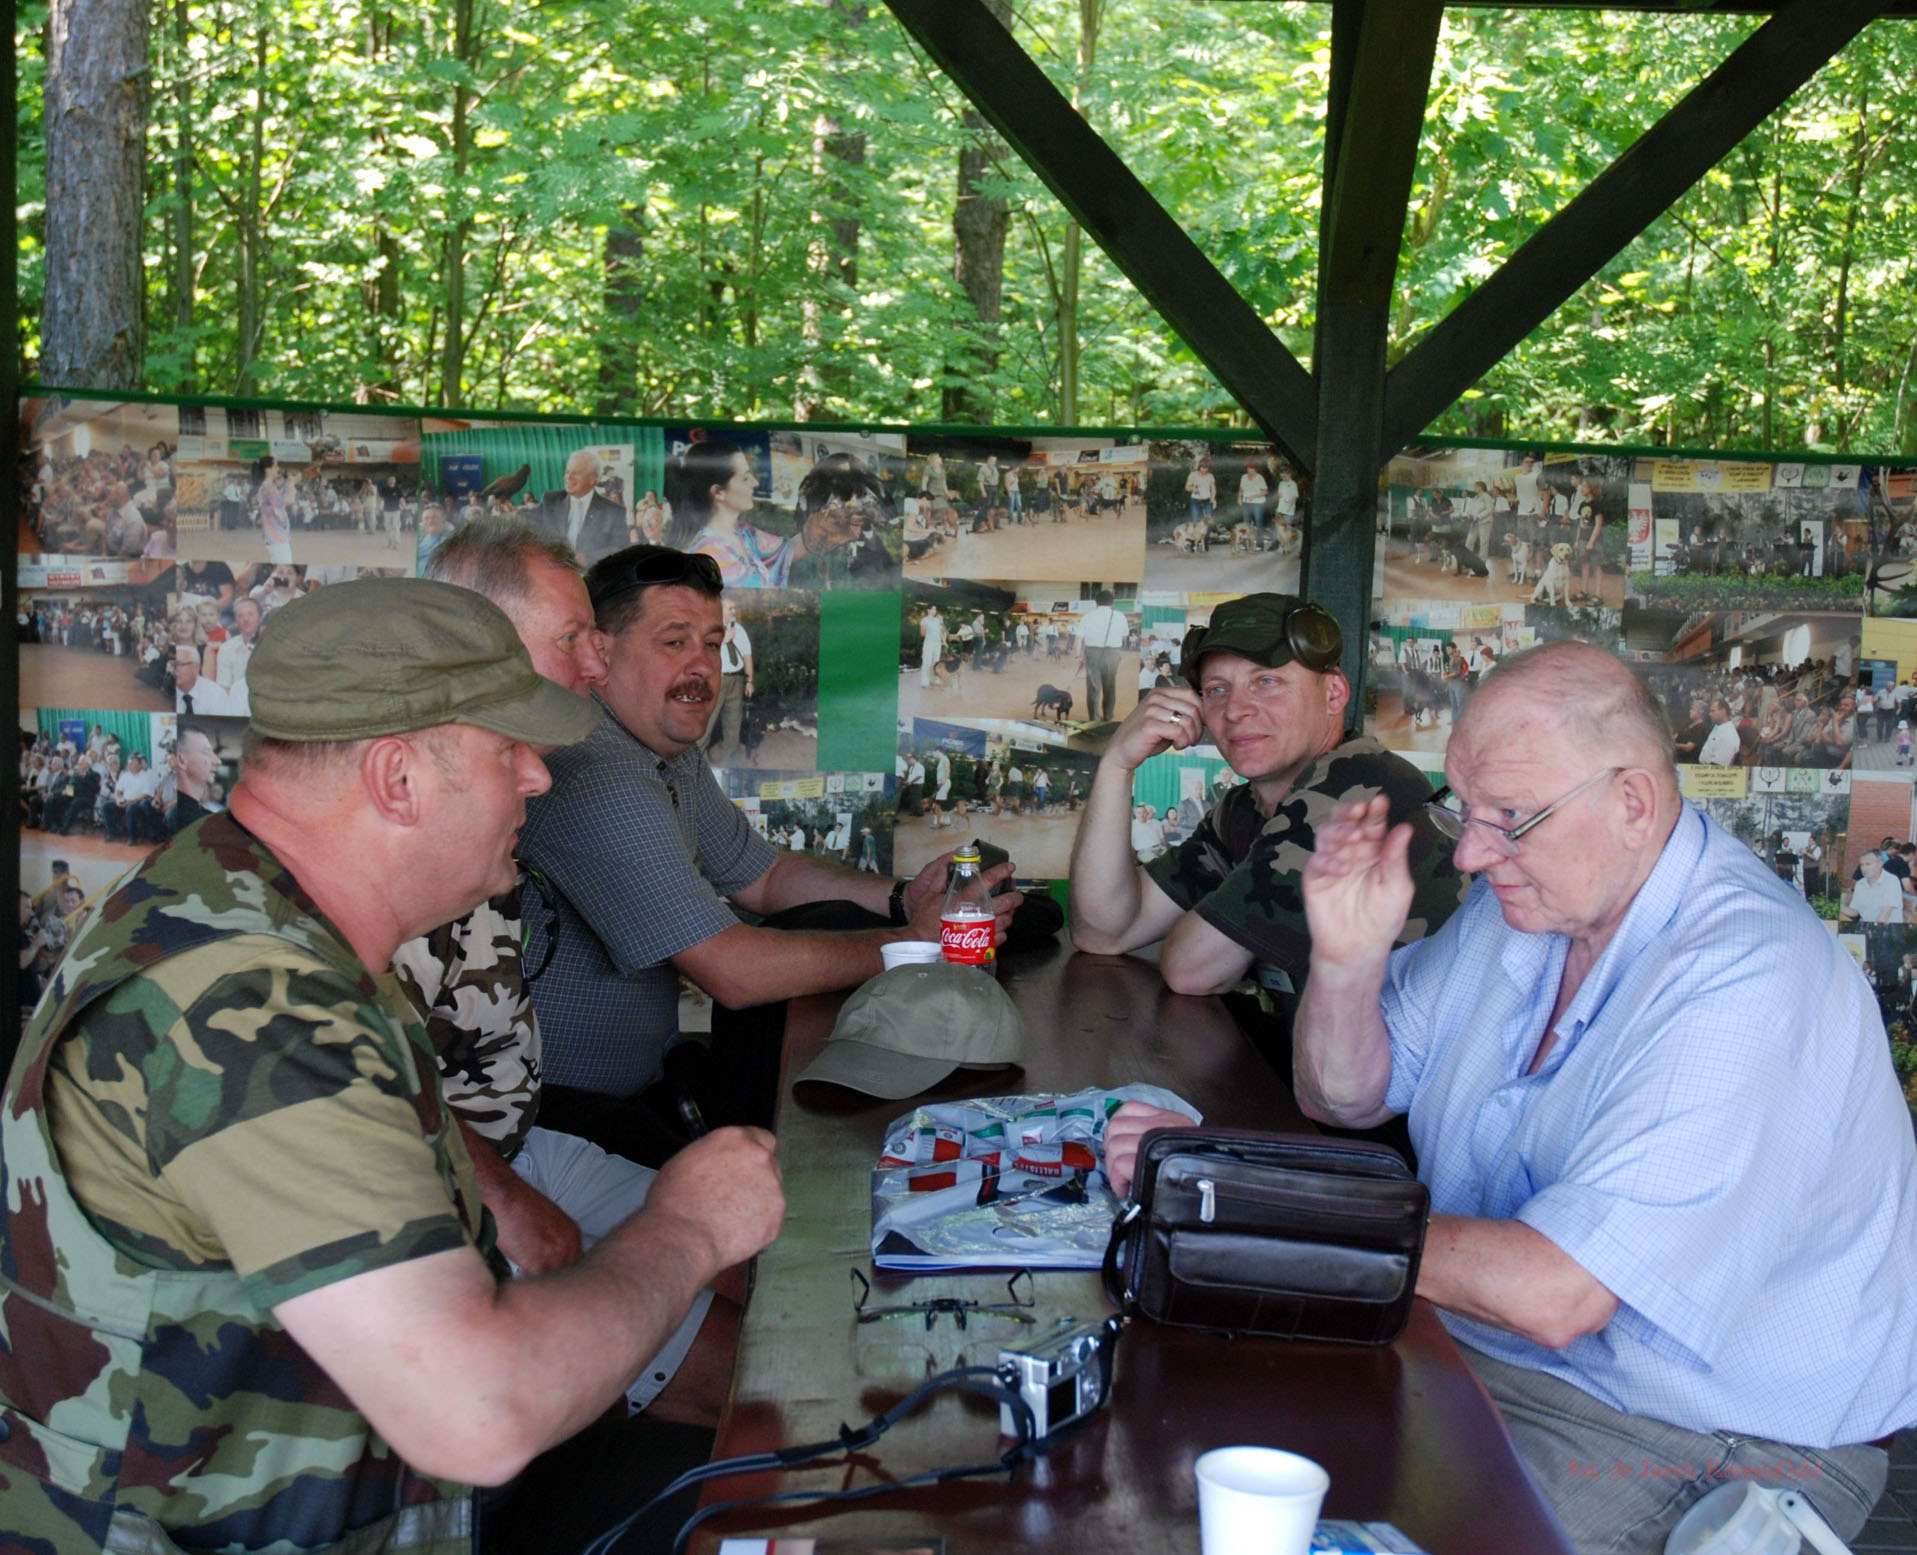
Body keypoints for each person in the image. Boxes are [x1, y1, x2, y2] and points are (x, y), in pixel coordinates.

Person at [0, 575, 786, 1554]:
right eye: (507, 750)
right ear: (398, 779)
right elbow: (476, 1410)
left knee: (763, 1481)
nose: (537, 778)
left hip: (354, 1499)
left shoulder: (240, 893)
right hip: (253, 1526)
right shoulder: (245, 1002)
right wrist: (687, 1227)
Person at [1107, 641, 1917, 1554]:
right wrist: (1344, 957)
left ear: (1631, 803)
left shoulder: (1742, 979)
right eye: (1464, 808)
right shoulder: (1526, 906)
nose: (1473, 851)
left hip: (1712, 1435)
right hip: (1483, 1350)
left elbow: (1556, 1293)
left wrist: (1246, 1197)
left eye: (1509, 817)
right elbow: (1342, 1097)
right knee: (1187, 1429)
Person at [515, 545, 1020, 1151]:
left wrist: (903, 898)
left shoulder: (658, 748)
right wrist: (915, 942)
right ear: (600, 652)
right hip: (552, 1123)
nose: (702, 667)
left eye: (712, 643)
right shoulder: (597, 769)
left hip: (636, 1092)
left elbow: (765, 875)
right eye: (673, 642)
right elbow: (734, 971)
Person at [403, 518, 737, 1422]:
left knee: (754, 1253)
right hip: (455, 1177)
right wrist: (510, 1203)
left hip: (519, 1137)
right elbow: (358, 1086)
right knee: (733, 1374)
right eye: (571, 638)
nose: (594, 661)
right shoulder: (398, 823)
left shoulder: (539, 770)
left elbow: (763, 876)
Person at [1068, 592, 1461, 1020]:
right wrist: (1116, 764)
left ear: (1333, 694)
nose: (1235, 710)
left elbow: (1193, 970)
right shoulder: (1245, 807)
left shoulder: (1361, 785)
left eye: (1266, 682)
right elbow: (1104, 930)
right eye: (1217, 690)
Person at [533, 448, 630, 562]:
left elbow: (620, 547)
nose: (569, 477)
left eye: (576, 473)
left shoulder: (613, 511)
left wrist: (587, 558)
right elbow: (528, 526)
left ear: (593, 479)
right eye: (567, 472)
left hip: (591, 571)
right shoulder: (550, 500)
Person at [706, 597, 755, 765]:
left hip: (736, 680)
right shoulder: (709, 628)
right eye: (730, 608)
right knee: (707, 721)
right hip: (716, 679)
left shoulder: (740, 630)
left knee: (734, 721)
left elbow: (747, 656)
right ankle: (699, 762)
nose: (734, 611)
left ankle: (729, 762)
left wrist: (750, 680)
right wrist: (723, 640)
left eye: (735, 608)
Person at [1078, 588, 1128, 723]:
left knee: (1093, 687)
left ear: (1096, 602)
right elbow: (1124, 635)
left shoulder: (1087, 616)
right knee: (1110, 686)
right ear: (1112, 602)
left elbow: (1079, 638)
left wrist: (1079, 656)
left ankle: (1093, 718)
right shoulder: (1120, 616)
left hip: (1092, 653)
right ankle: (1108, 716)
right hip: (1112, 653)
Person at [1697, 697, 1739, 766]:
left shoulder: (1729, 734)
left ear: (1723, 711)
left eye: (1712, 711)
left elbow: (1717, 767)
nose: (1710, 714)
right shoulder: (1718, 725)